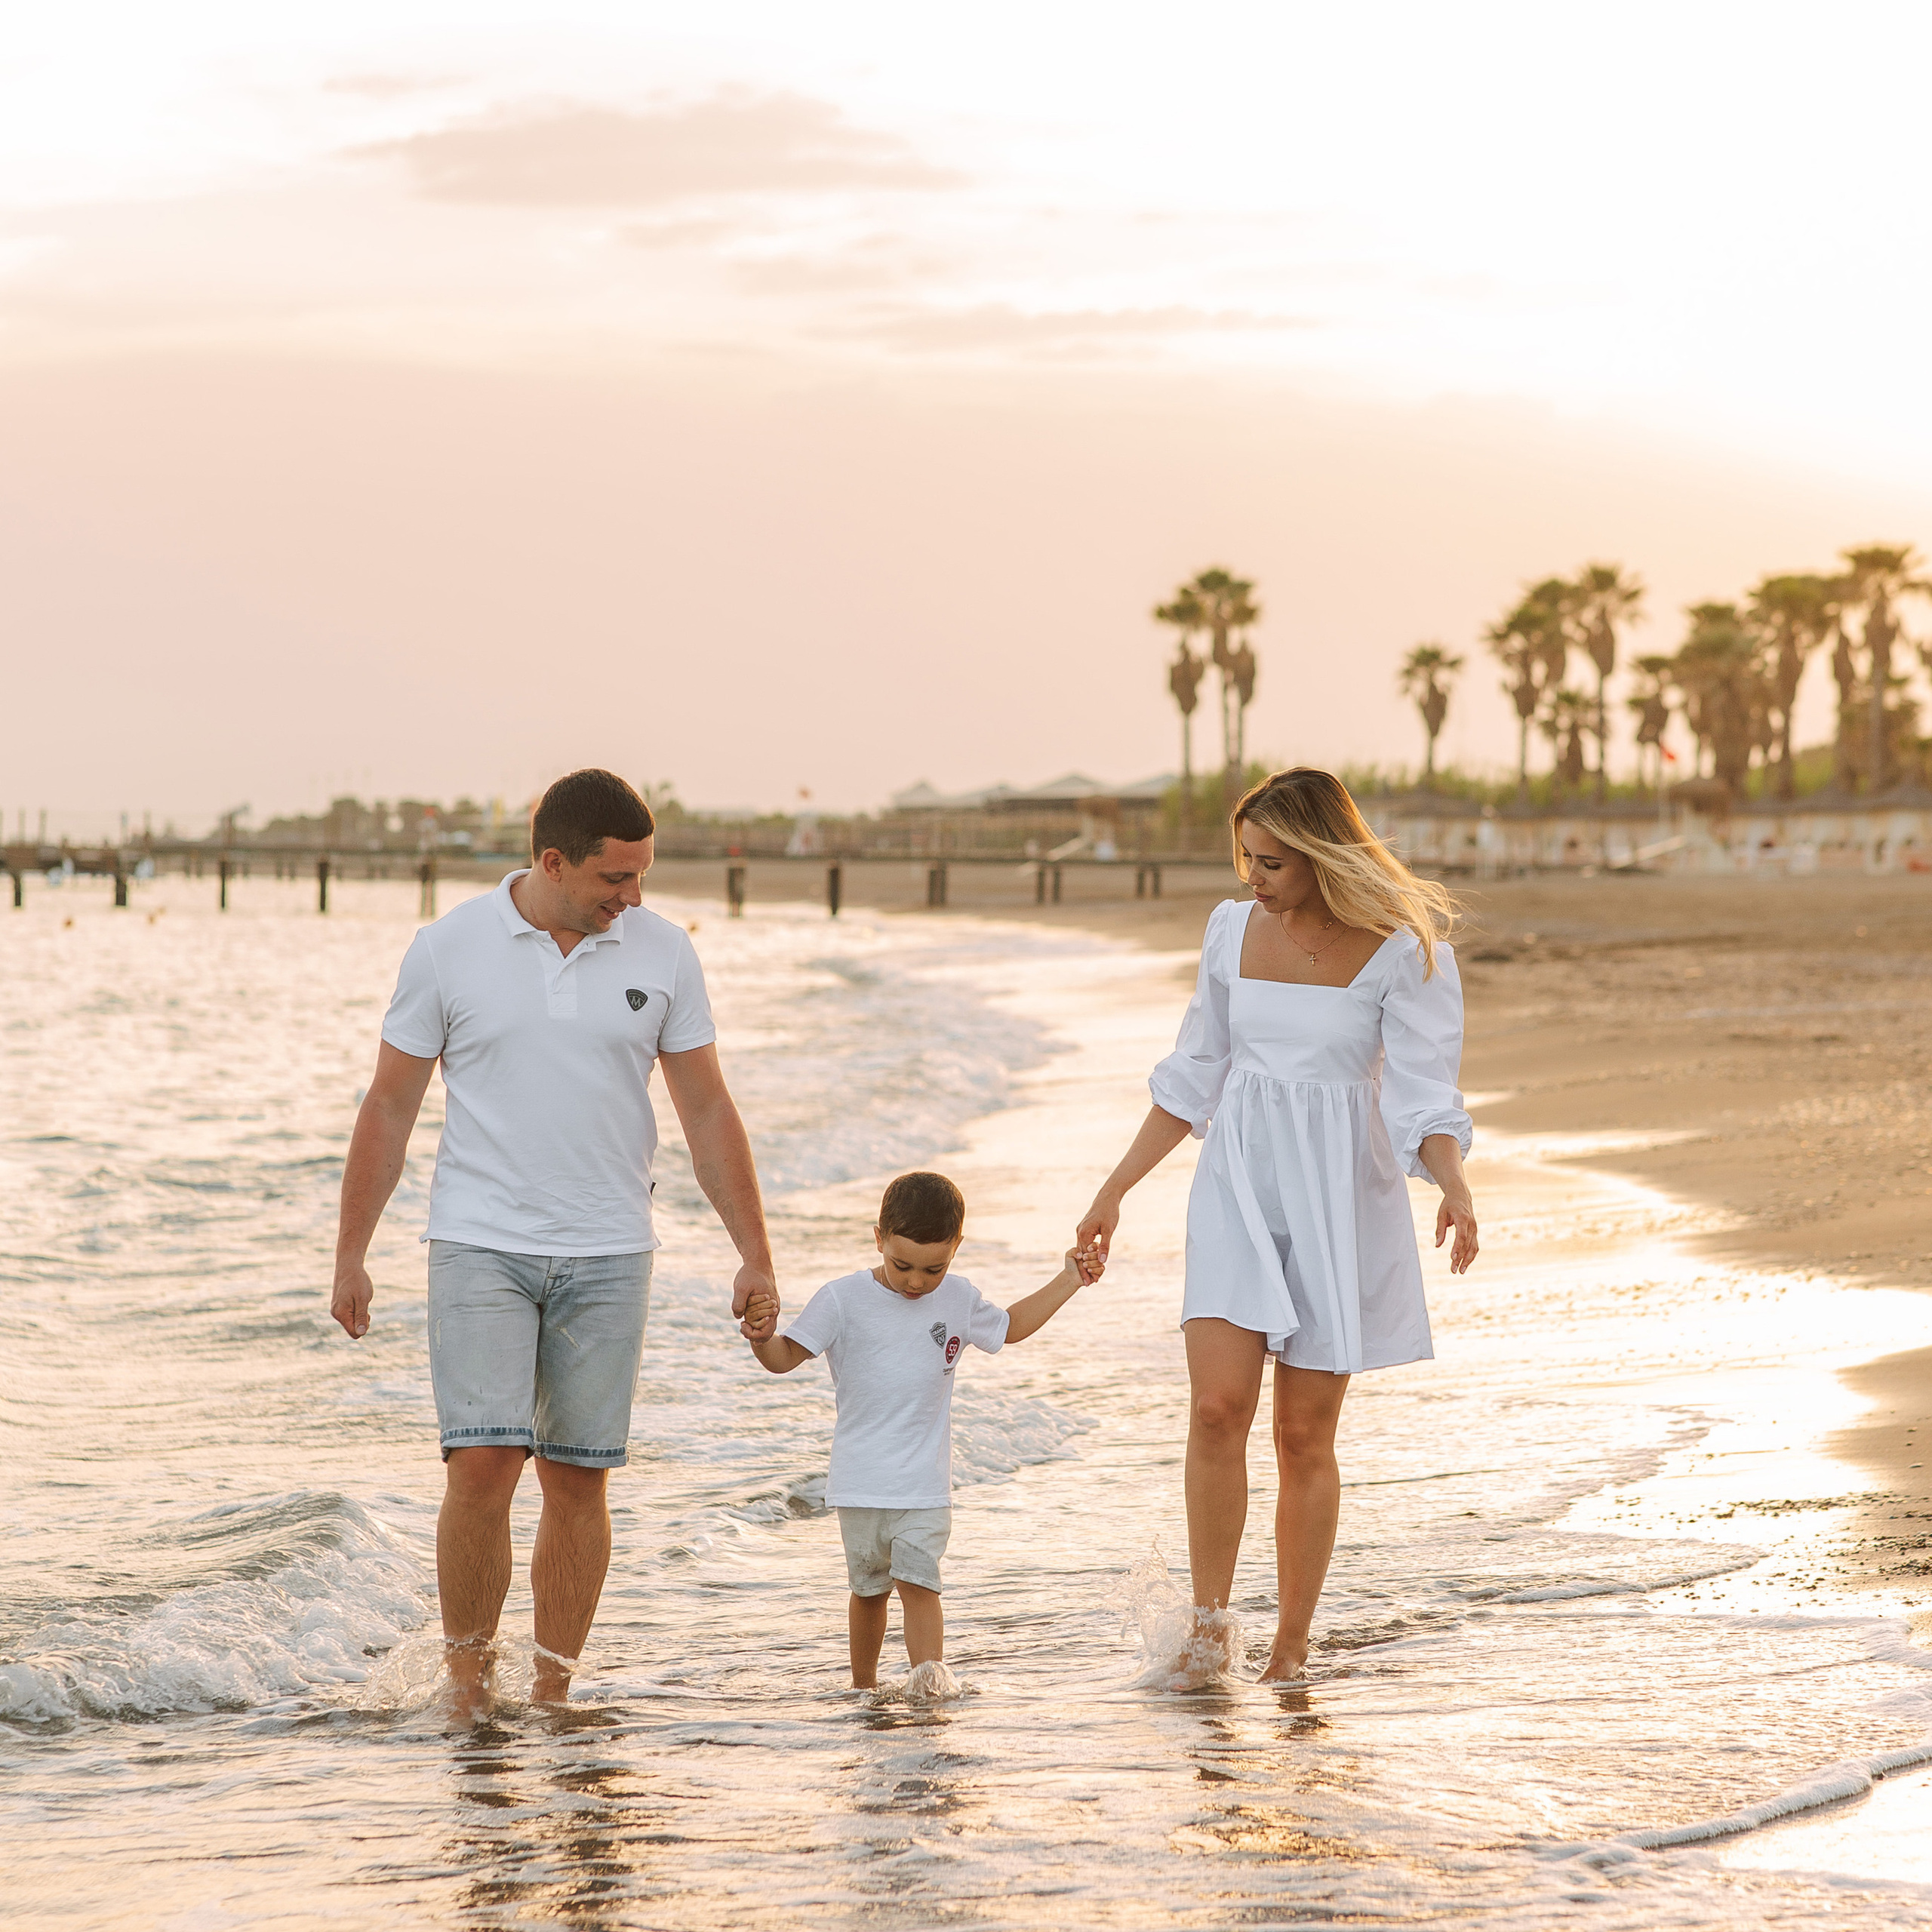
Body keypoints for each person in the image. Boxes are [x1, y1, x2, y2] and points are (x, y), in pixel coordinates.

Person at [330, 768, 777, 1715]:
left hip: (612, 1246)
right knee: (482, 1463)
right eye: (616, 878)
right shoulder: (448, 950)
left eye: (644, 875)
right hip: (478, 1241)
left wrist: (754, 1251)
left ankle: (553, 1693)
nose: (635, 897)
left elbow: (704, 1107)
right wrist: (351, 1252)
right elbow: (390, 1105)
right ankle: (467, 1688)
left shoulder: (664, 953)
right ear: (552, 861)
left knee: (579, 1476)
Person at [1076, 768, 1478, 1686]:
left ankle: (1290, 1646)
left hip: (1338, 1197)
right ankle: (1210, 1631)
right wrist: (1115, 1190)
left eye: (1272, 862)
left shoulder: (1403, 951)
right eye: (1245, 857)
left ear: (1323, 854)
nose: (1253, 876)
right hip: (1238, 1185)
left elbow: (1423, 1098)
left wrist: (1454, 1187)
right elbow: (1192, 1076)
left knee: (1304, 1433)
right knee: (1218, 1408)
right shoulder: (1229, 930)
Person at [743, 1171, 1100, 1690]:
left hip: (925, 1486)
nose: (916, 1281)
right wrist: (761, 1337)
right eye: (901, 1264)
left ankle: (929, 1688)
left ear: (957, 1247)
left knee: (920, 1582)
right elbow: (783, 1358)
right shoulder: (842, 1299)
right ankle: (862, 1689)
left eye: (934, 1268)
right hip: (861, 1482)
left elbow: (1010, 1327)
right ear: (879, 1239)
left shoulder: (956, 1297)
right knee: (868, 1591)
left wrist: (1069, 1278)